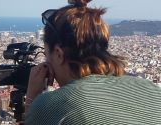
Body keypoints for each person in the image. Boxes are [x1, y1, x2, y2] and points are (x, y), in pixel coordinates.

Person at [24, 0, 161, 124]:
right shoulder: (151, 89)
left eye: (46, 54)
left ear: (59, 54)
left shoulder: (54, 104)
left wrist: (32, 98)